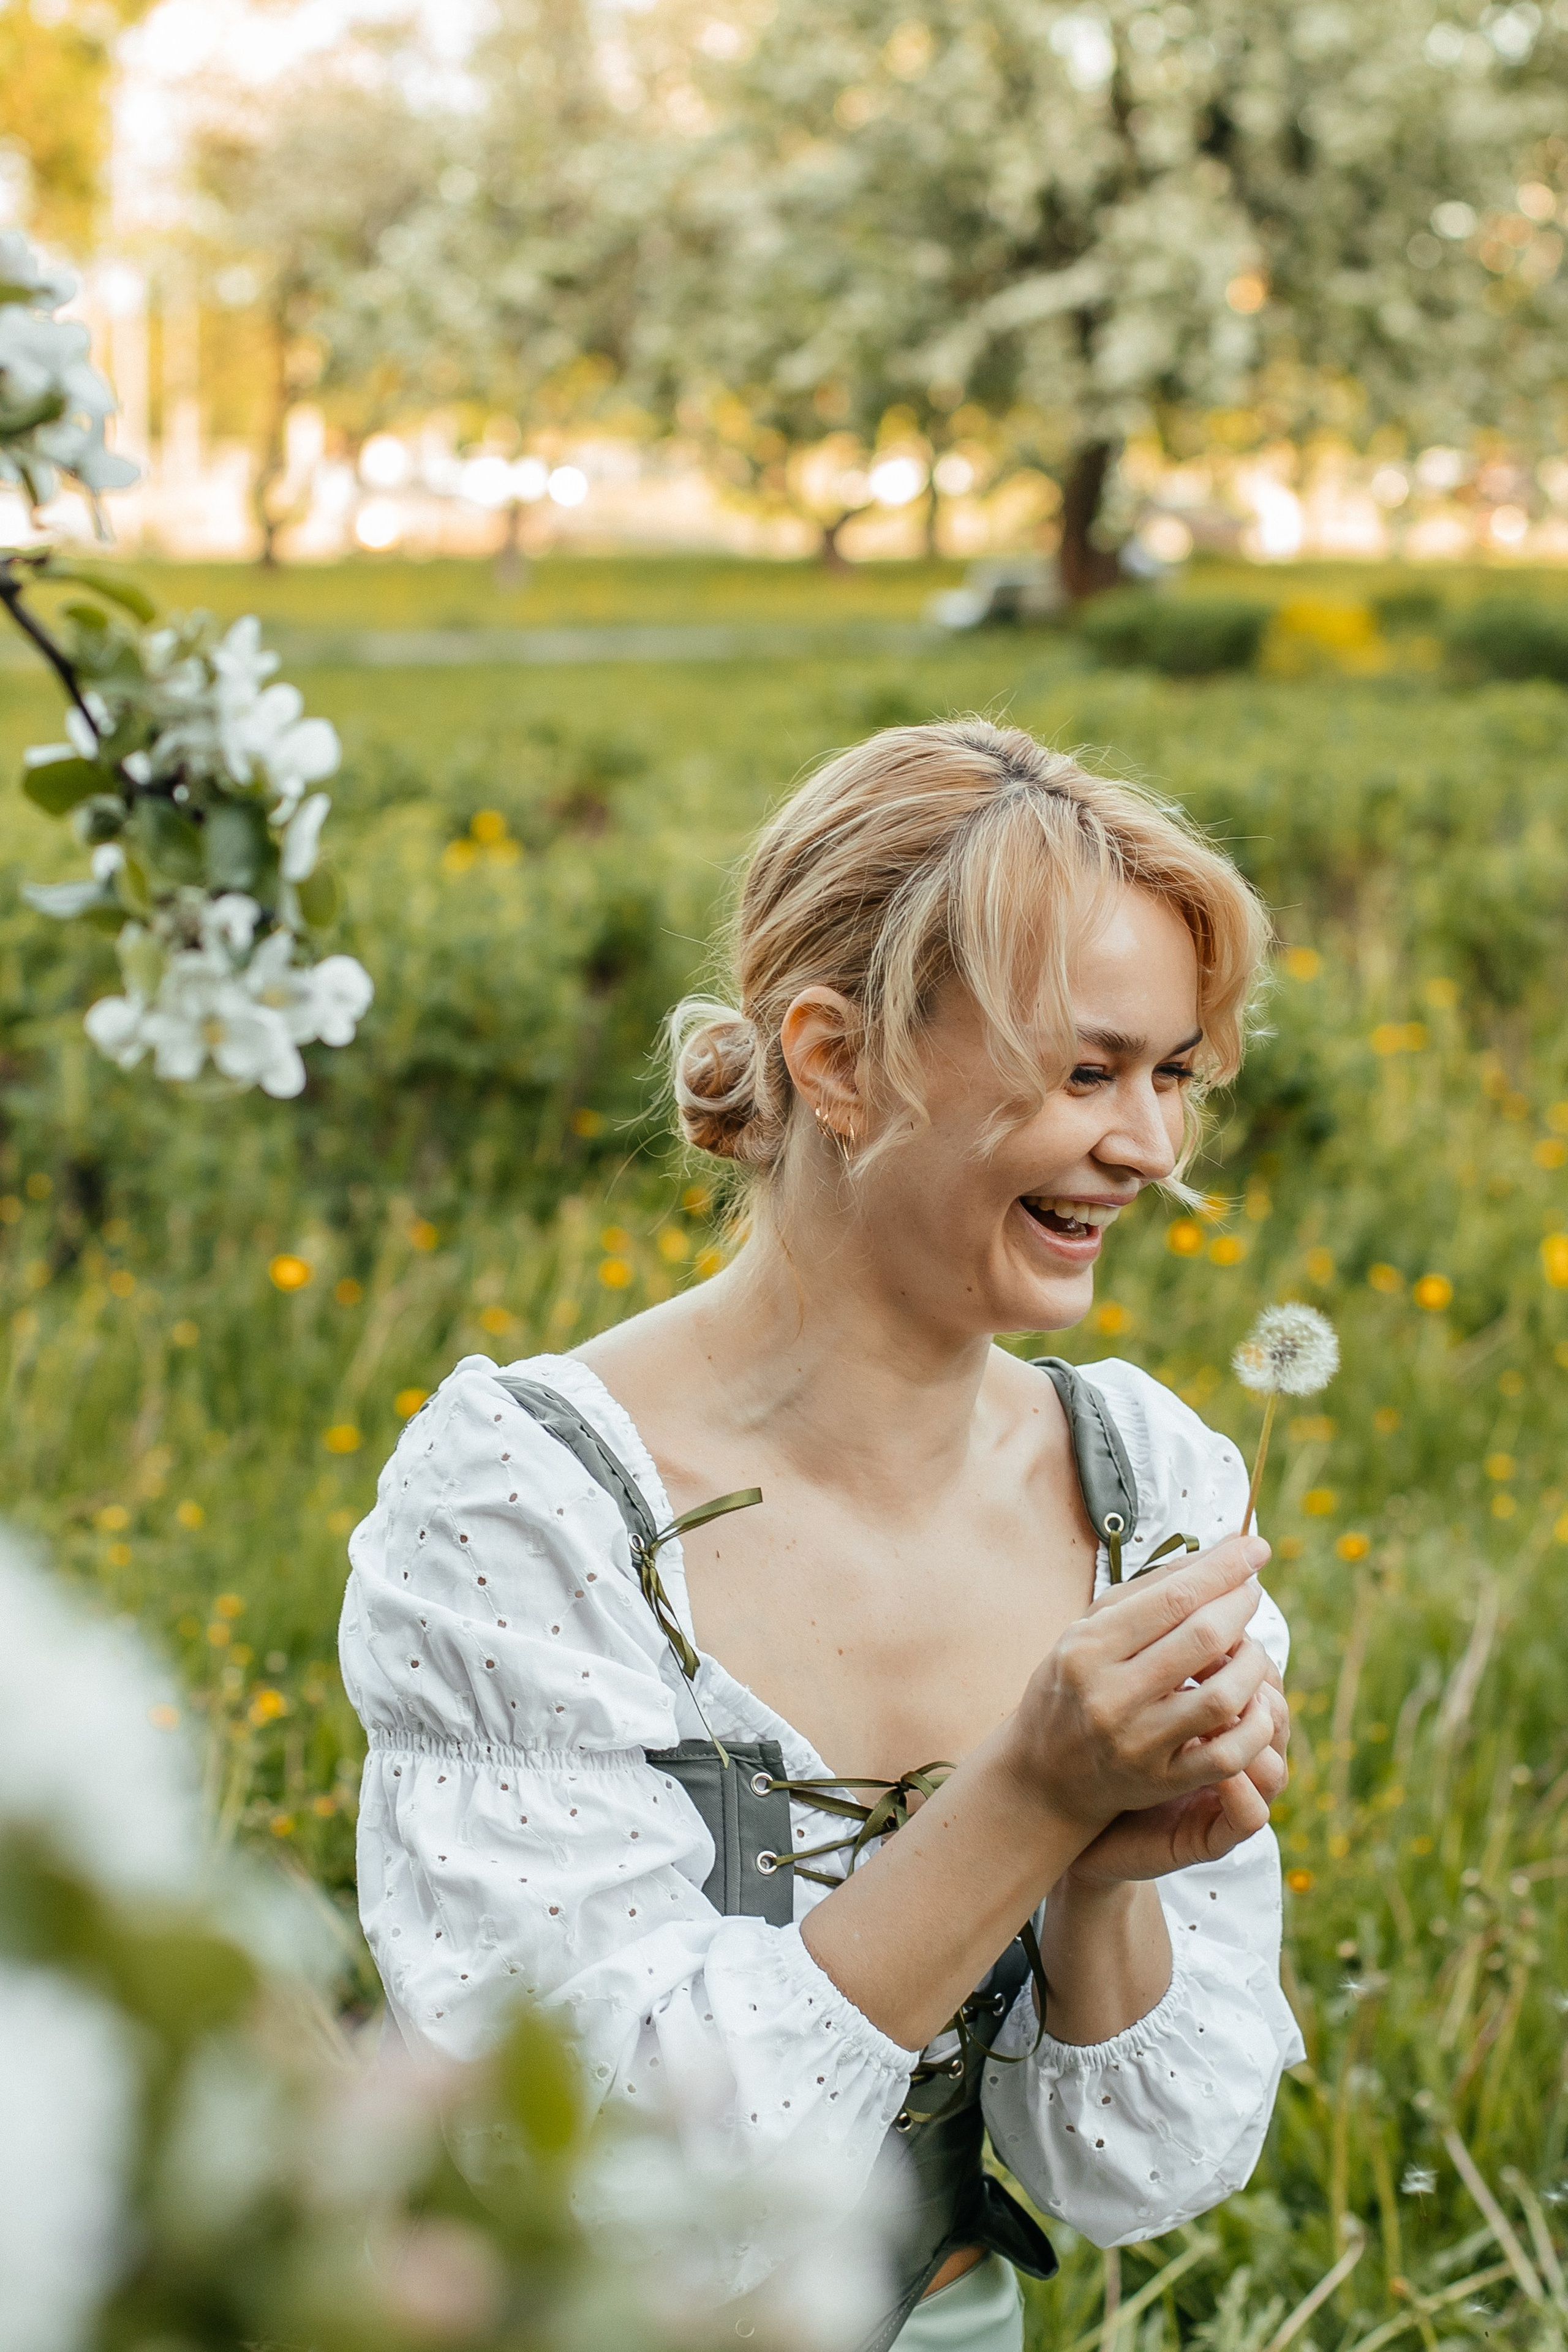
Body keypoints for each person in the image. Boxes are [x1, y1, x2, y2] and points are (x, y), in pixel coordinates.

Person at [340, 720, 1305, 2352]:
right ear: (835, 1058)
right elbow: (600, 2176)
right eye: (1088, 1070)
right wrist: (1027, 1802)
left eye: (1172, 1076)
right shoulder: (532, 1507)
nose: (1148, 1147)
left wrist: (1101, 1889)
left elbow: (1136, 2171)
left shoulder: (1149, 1486)